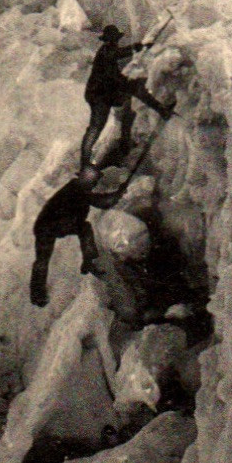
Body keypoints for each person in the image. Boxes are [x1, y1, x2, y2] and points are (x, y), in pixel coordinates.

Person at [29, 163, 134, 308]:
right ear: (86, 180)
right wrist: (116, 195)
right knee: (42, 259)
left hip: (59, 224)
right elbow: (101, 202)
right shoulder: (76, 191)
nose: (93, 184)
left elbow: (98, 200)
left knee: (84, 228)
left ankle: (88, 261)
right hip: (47, 227)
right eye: (92, 181)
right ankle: (37, 294)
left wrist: (116, 194)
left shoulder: (77, 188)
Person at [79, 24, 174, 170]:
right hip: (99, 95)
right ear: (108, 40)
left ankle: (124, 144)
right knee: (97, 126)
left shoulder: (109, 51)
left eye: (114, 39)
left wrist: (139, 47)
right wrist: (135, 48)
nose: (114, 41)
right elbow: (116, 58)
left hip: (105, 92)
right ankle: (85, 162)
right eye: (112, 39)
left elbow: (116, 65)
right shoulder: (106, 51)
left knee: (129, 104)